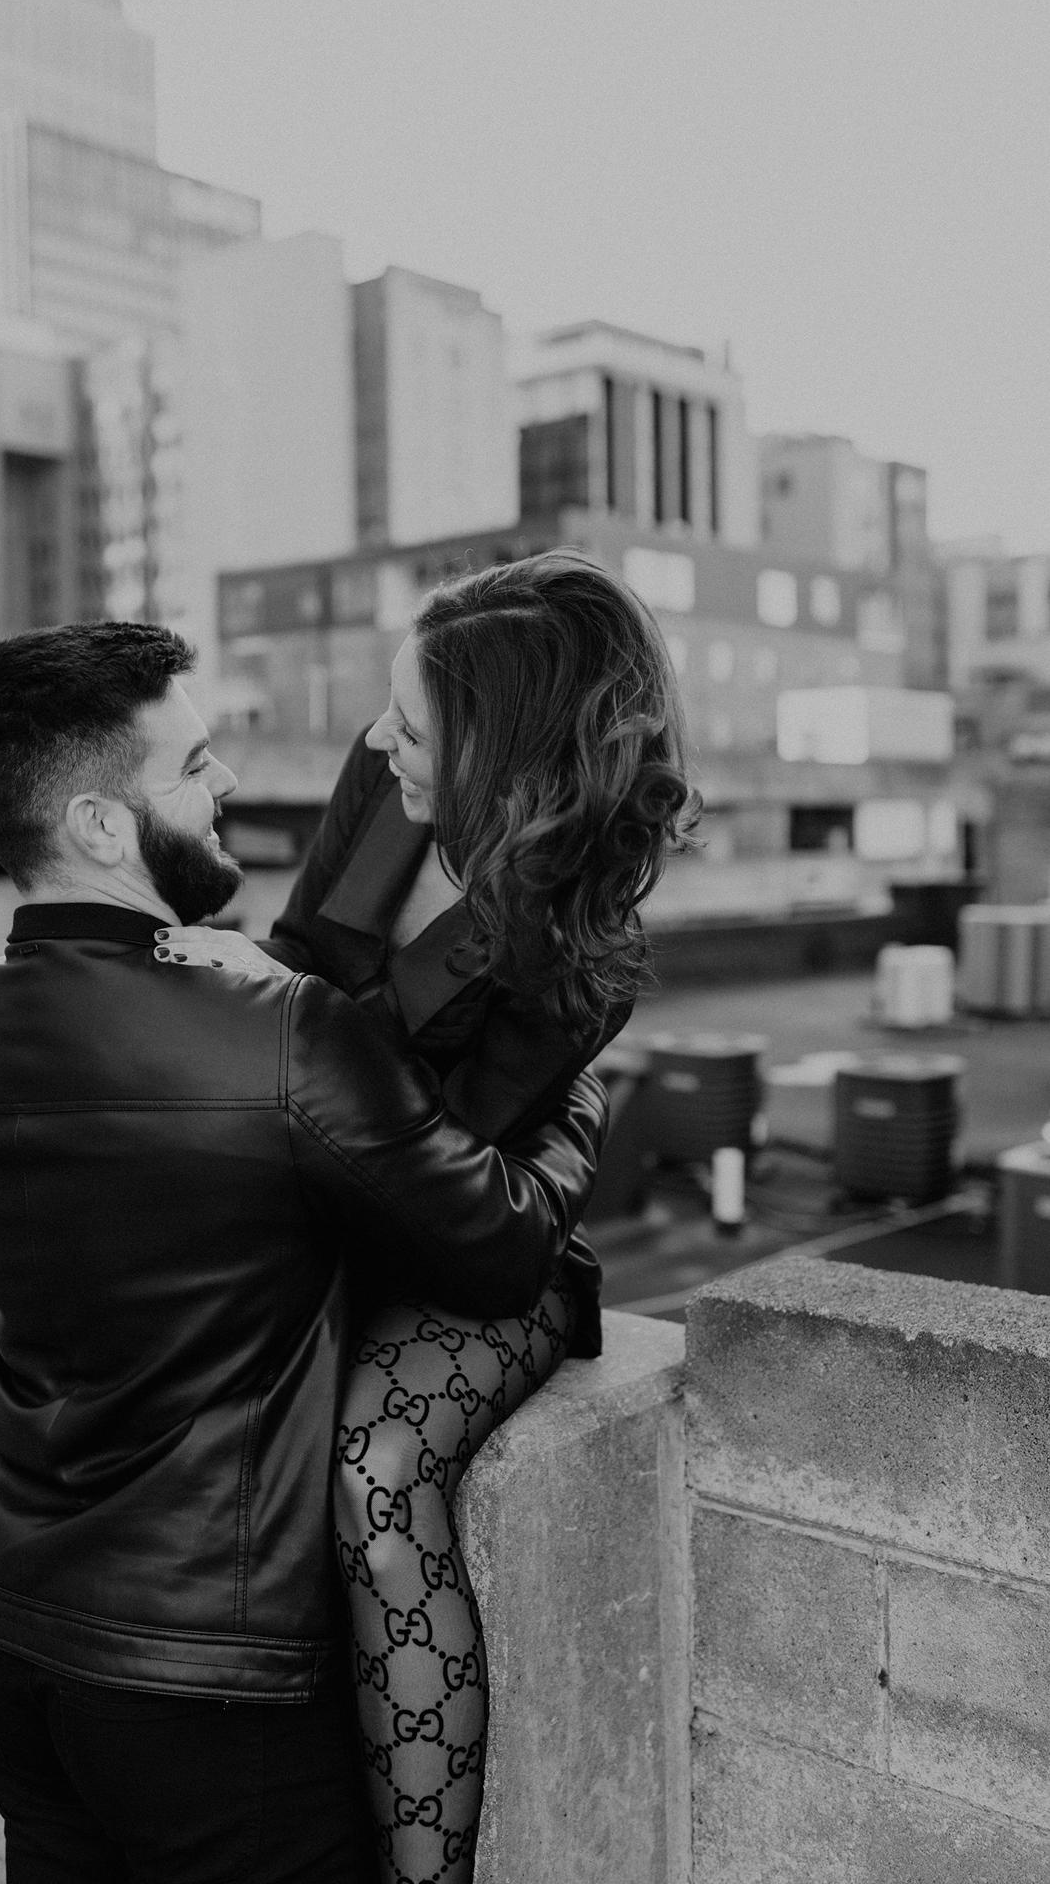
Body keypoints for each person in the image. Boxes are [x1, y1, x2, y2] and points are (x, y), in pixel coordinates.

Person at [0, 618, 610, 1884]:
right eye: (192, 766)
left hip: (16, 1654)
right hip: (206, 1691)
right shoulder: (281, 1035)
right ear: (99, 825)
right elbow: (501, 1246)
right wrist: (579, 1105)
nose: (227, 779)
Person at [170, 548, 698, 1883]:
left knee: (377, 1470)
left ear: (500, 761)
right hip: (323, 1187)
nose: (376, 741)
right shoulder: (382, 785)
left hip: (468, 1242)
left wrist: (284, 1013)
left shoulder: (577, 957)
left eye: (411, 727)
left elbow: (428, 1163)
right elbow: (303, 957)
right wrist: (258, 994)